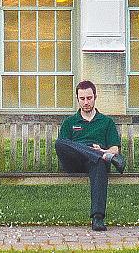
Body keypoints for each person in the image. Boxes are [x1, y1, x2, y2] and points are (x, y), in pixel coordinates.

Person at [56, 79, 123, 231]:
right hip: (74, 162)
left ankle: (98, 218)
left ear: (95, 97)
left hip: (95, 163)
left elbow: (114, 150)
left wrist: (103, 152)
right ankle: (96, 154)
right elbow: (64, 147)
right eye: (82, 99)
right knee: (60, 142)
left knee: (99, 162)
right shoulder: (70, 122)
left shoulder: (106, 122)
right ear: (77, 99)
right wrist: (96, 152)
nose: (86, 102)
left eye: (89, 98)